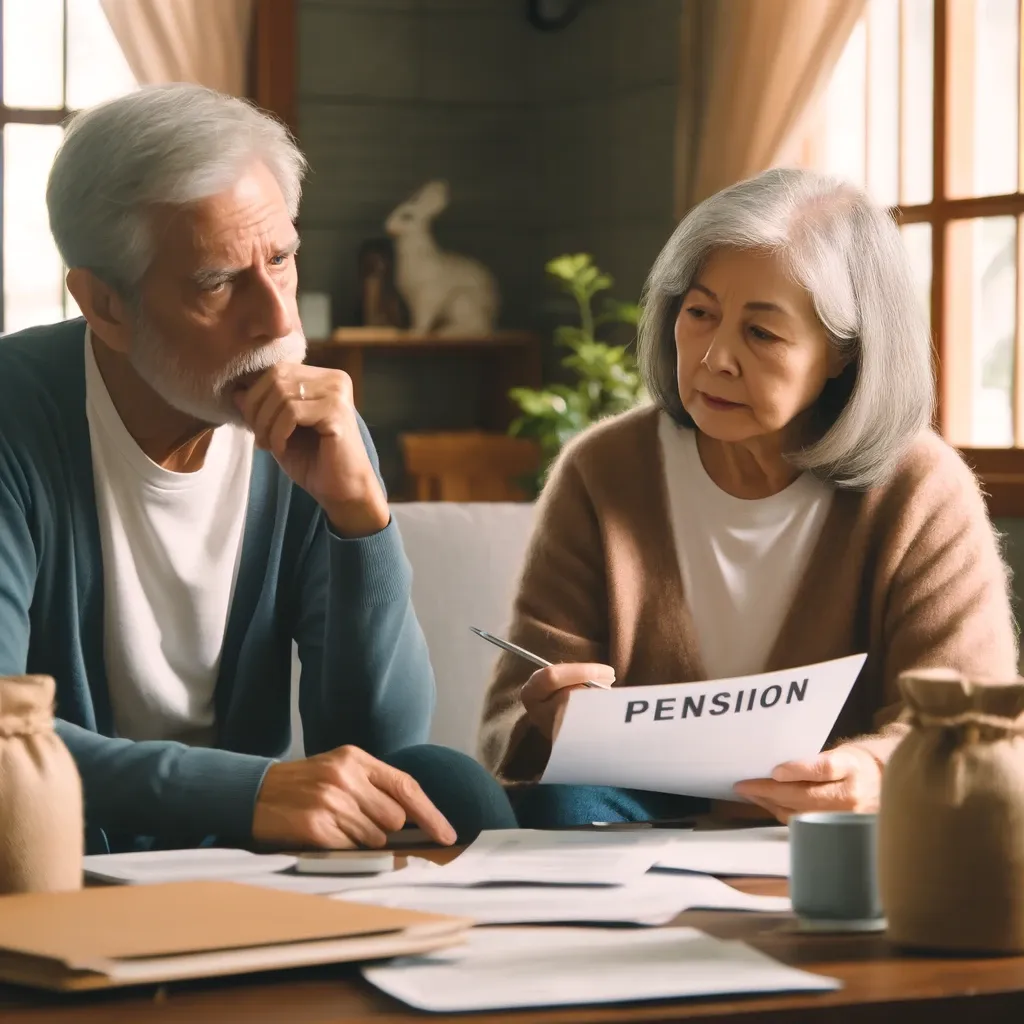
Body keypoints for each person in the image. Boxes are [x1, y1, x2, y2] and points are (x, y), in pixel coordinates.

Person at [0, 84, 516, 855]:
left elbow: (383, 748)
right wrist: (245, 791)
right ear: (104, 305)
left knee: (447, 783)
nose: (279, 319)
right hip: (53, 861)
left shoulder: (312, 430)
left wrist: (360, 519)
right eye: (217, 283)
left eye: (281, 259)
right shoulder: (17, 418)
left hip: (249, 859)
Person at [478, 167, 1018, 828]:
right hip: (634, 830)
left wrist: (872, 772)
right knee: (565, 803)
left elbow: (971, 724)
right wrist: (553, 719)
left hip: (841, 836)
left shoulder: (922, 492)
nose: (715, 359)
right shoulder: (605, 471)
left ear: (843, 353)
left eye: (761, 333)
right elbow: (509, 726)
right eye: (699, 314)